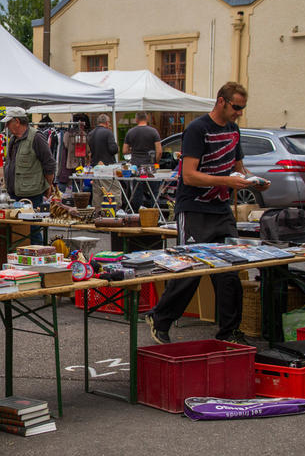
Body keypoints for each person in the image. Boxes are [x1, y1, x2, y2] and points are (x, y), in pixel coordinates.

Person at [145, 82, 270, 345]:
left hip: (221, 209)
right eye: (236, 107)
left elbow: (239, 169)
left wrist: (253, 181)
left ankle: (229, 332)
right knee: (190, 267)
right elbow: (189, 176)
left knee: (230, 271)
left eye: (243, 108)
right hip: (194, 209)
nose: (239, 113)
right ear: (221, 101)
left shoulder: (233, 130)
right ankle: (160, 318)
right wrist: (227, 181)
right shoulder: (197, 129)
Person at [2, 107, 55, 245]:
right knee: (15, 230)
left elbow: (49, 164)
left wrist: (48, 185)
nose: (6, 126)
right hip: (14, 193)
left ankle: (38, 255)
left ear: (17, 121)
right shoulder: (13, 139)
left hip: (31, 193)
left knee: (33, 230)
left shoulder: (36, 137)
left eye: (8, 122)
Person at [123, 112, 162, 211]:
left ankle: (138, 213)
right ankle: (154, 213)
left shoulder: (131, 132)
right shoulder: (153, 131)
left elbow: (124, 151)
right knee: (154, 191)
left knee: (137, 191)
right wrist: (155, 162)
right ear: (147, 118)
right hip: (149, 166)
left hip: (135, 166)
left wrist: (133, 150)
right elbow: (159, 151)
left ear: (136, 119)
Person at [88, 114, 121, 213]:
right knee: (113, 191)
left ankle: (97, 214)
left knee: (98, 193)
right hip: (107, 167)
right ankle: (114, 213)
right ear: (106, 123)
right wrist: (117, 147)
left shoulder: (91, 133)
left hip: (95, 166)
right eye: (109, 122)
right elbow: (113, 149)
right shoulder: (108, 132)